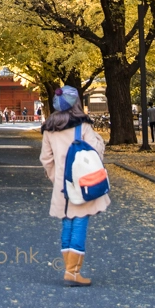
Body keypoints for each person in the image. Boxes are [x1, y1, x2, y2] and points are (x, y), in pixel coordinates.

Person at [39, 86, 109, 287]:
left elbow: (46, 159)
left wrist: (56, 178)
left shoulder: (50, 129)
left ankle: (69, 269)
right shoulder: (82, 126)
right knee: (79, 222)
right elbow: (95, 152)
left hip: (62, 185)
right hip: (81, 183)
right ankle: (73, 272)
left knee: (67, 223)